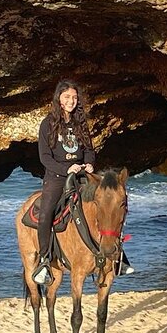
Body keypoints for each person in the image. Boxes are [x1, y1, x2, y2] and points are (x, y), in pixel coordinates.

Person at [33, 80, 95, 285]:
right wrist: (65, 169)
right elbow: (44, 157)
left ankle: (118, 256)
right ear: (59, 98)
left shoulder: (80, 123)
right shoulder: (47, 123)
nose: (71, 101)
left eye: (74, 97)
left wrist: (89, 164)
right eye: (67, 97)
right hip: (57, 177)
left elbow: (89, 150)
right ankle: (43, 260)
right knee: (45, 216)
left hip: (81, 176)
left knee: (109, 203)